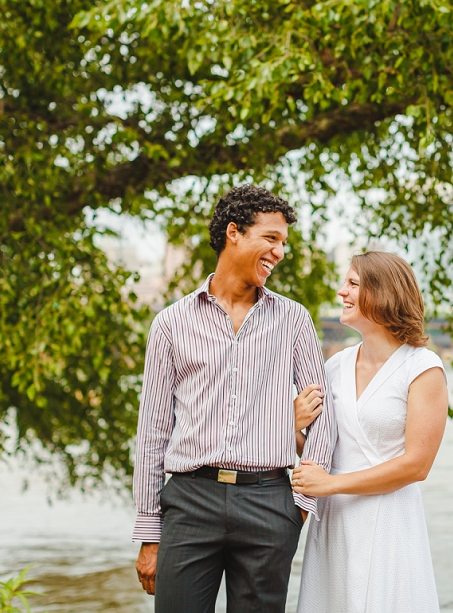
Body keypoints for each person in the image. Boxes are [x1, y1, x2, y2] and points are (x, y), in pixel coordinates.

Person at [132, 185, 335, 613]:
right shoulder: (170, 324)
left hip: (269, 503)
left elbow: (324, 421)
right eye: (271, 238)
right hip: (189, 503)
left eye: (284, 242)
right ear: (233, 233)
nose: (280, 251)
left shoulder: (293, 319)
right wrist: (150, 535)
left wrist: (297, 508)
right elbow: (152, 434)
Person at [293, 251, 450, 612]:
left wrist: (330, 484)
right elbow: (320, 451)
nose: (340, 292)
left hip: (389, 523)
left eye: (352, 284)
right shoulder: (334, 366)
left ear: (382, 293)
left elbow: (417, 466)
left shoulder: (423, 368)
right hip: (334, 524)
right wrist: (293, 426)